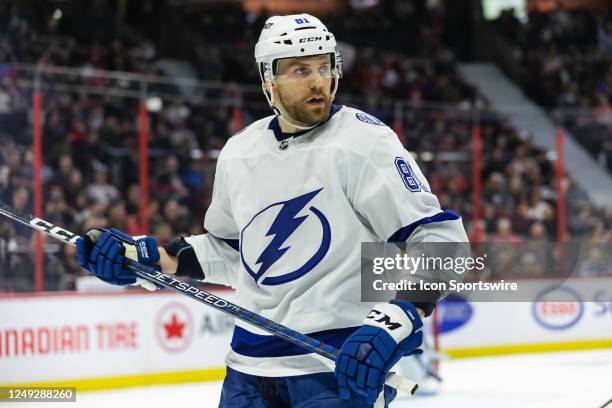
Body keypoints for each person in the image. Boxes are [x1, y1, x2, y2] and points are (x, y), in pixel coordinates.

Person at [76, 13, 468, 407]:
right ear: (268, 79)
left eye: (324, 66)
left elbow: (442, 242)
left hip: (337, 370)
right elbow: (233, 251)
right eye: (300, 69)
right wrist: (148, 258)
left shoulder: (364, 143)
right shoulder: (240, 151)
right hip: (247, 372)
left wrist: (398, 318)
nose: (318, 81)